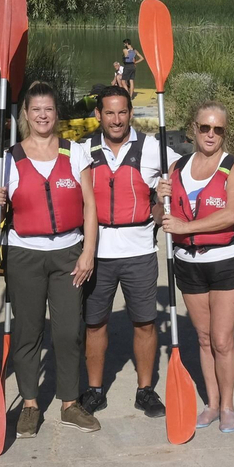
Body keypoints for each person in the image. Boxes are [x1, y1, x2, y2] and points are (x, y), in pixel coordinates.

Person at [0, 81, 100, 435]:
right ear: (26, 115)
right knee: (27, 332)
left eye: (48, 109)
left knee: (68, 332)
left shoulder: (75, 152)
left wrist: (88, 253)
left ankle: (69, 403)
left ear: (56, 112)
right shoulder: (8, 159)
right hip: (24, 254)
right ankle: (30, 405)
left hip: (68, 254)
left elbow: (90, 206)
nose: (43, 115)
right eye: (36, 109)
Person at [158, 101, 234, 433]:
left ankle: (228, 406)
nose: (211, 134)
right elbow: (161, 218)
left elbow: (231, 214)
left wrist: (185, 227)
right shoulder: (177, 168)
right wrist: (159, 198)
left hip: (229, 261)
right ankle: (211, 404)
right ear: (193, 129)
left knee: (222, 339)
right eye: (205, 127)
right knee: (202, 338)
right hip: (189, 263)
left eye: (218, 129)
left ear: (225, 133)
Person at [78, 86, 167, 419]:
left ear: (131, 113)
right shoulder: (82, 150)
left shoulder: (153, 148)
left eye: (122, 112)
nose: (116, 120)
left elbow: (186, 172)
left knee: (144, 323)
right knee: (94, 324)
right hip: (96, 252)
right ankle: (95, 390)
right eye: (109, 113)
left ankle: (145, 390)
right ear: (98, 114)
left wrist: (163, 199)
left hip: (139, 251)